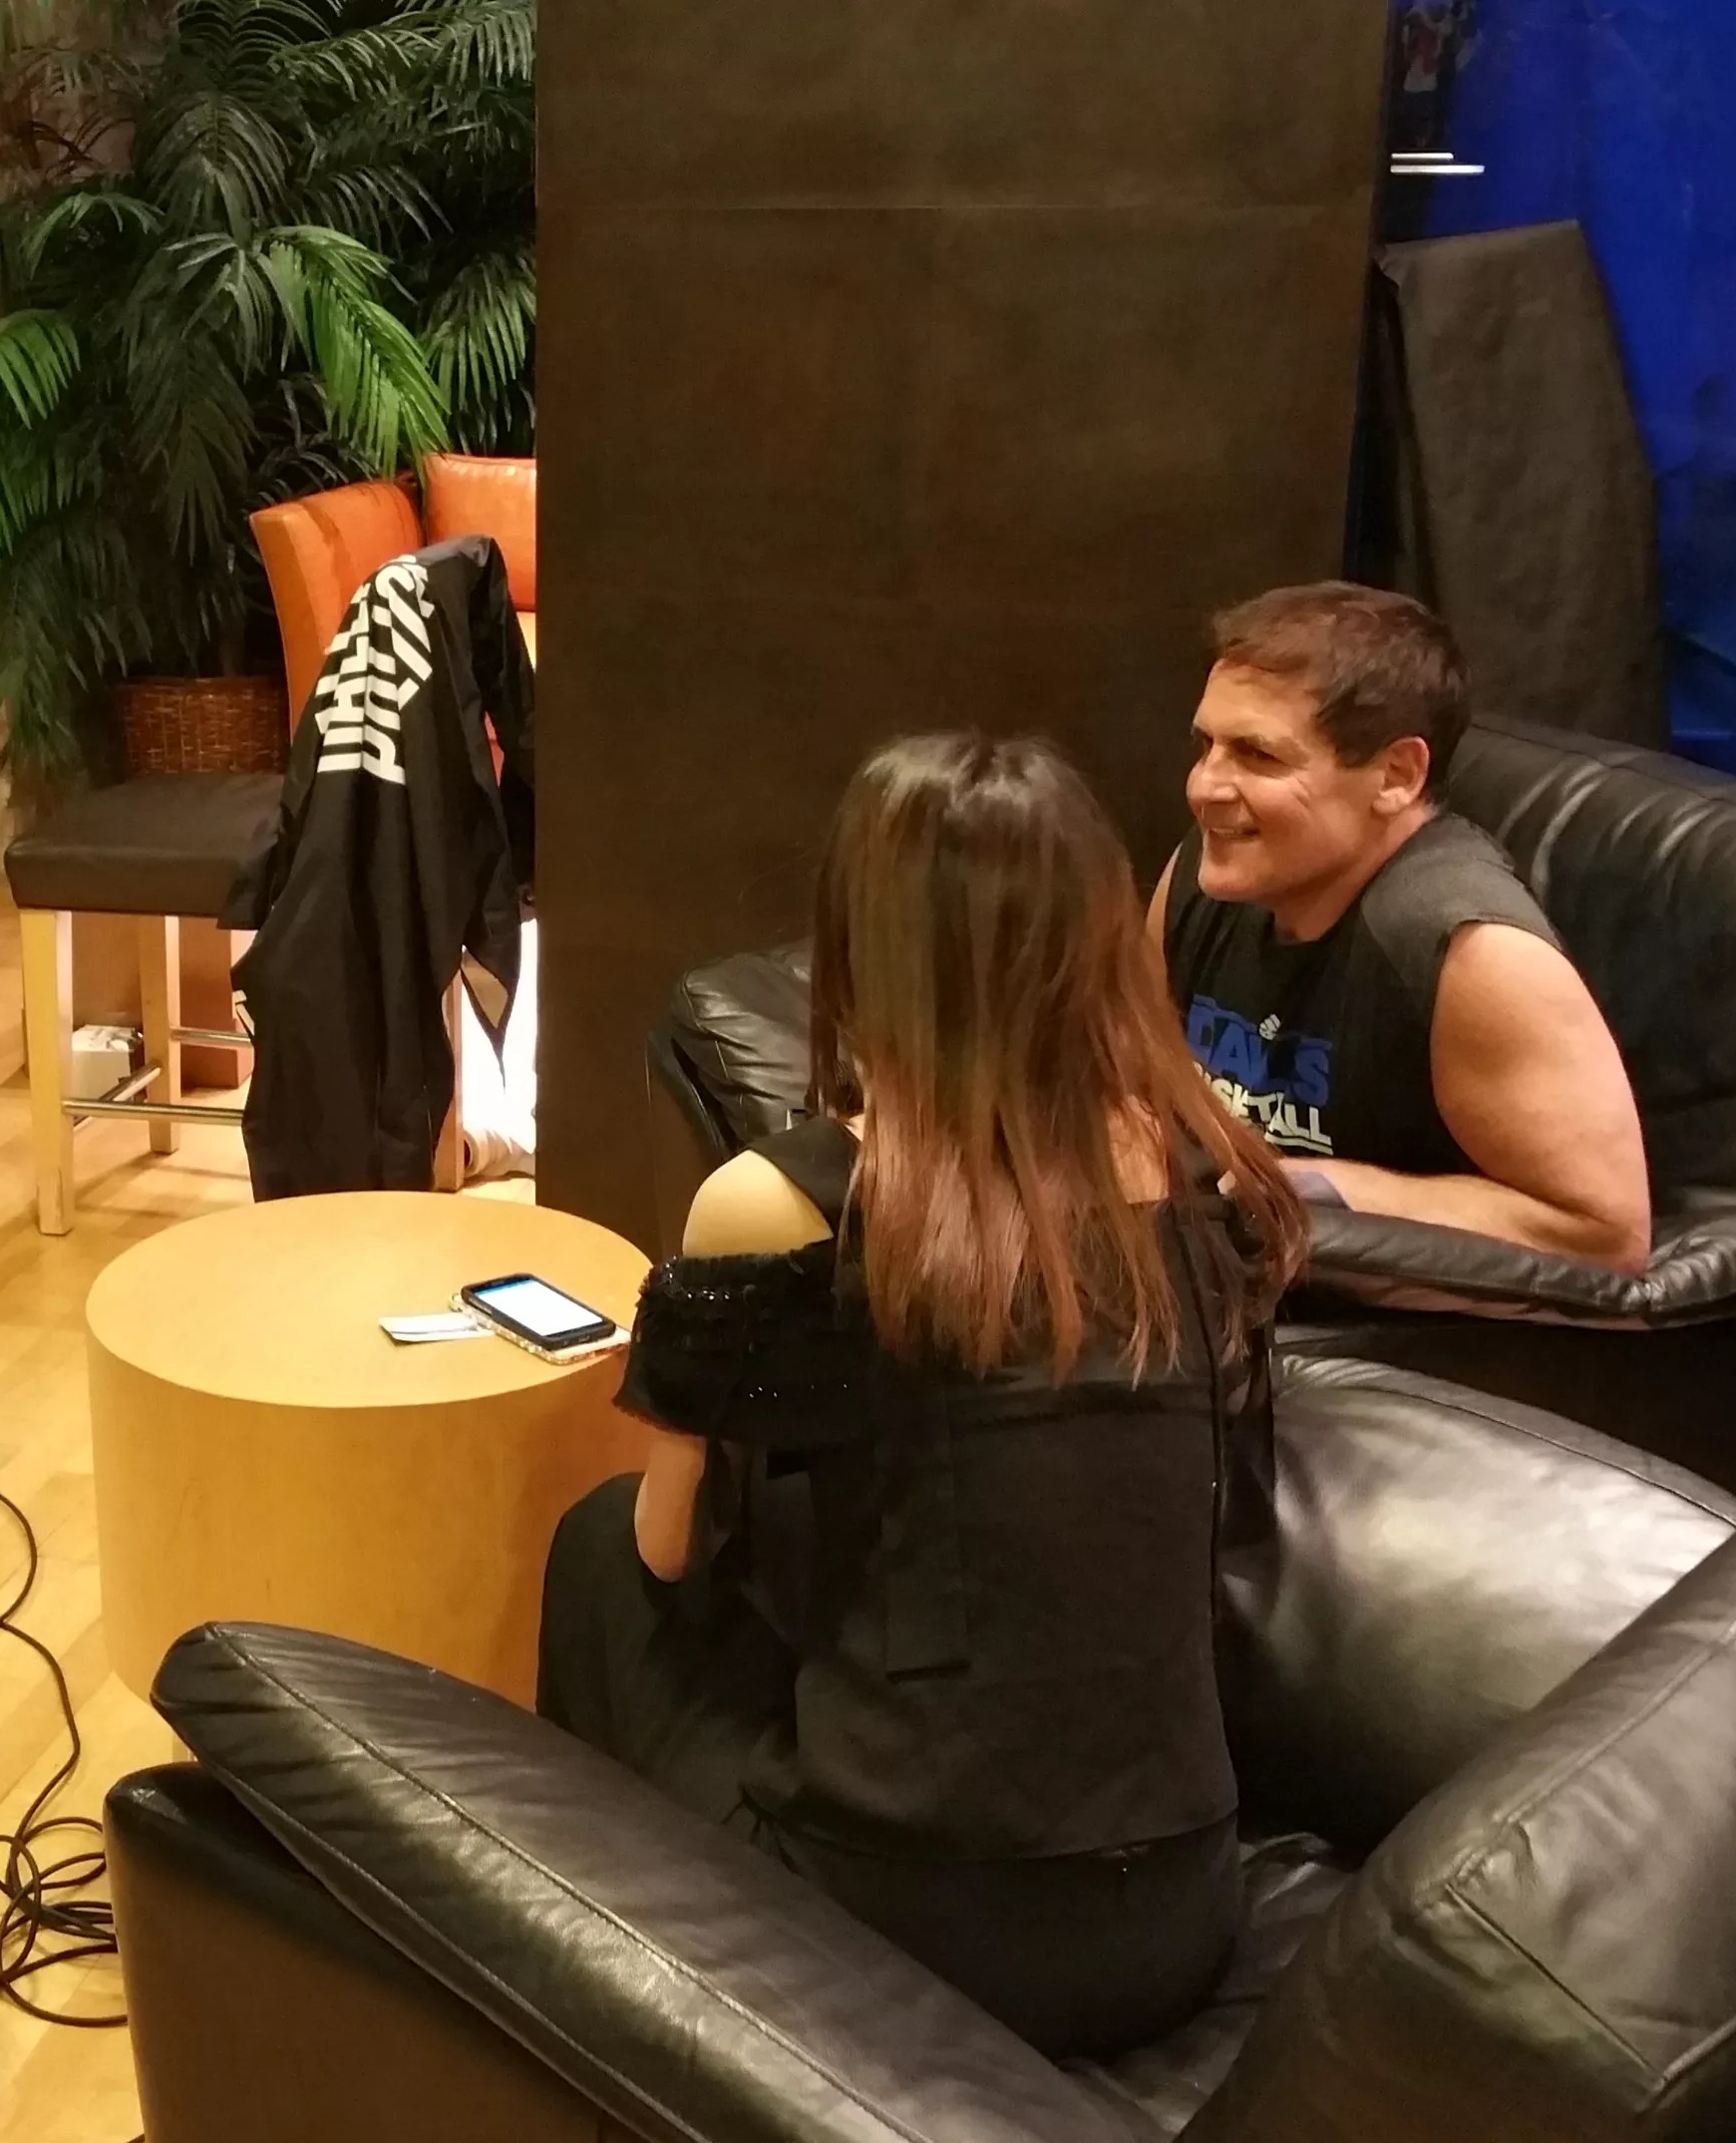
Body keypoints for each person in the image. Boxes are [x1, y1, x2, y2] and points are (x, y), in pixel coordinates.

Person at [538, 732, 1304, 2058]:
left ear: (858, 947)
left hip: (912, 1931)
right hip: (1179, 1916)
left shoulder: (787, 1201)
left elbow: (670, 1548)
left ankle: (589, 2004)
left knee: (600, 1546)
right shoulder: (1198, 1172)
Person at [1155, 581, 1651, 1270]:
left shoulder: (1477, 955)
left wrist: (1327, 1190)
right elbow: (1130, 1079)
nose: (1204, 786)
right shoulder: (1208, 873)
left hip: (1399, 1318)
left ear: (1396, 775)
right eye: (1206, 745)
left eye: (1258, 755)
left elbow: (1607, 1236)